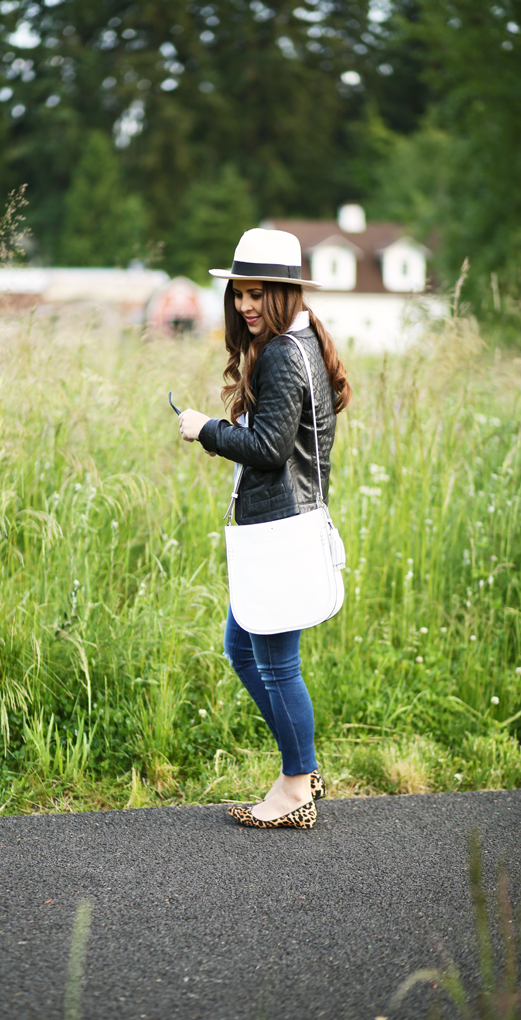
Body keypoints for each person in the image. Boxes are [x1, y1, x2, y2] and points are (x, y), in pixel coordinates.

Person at [178, 228, 352, 830]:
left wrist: (204, 429)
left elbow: (270, 449)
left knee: (276, 665)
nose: (246, 306)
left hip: (280, 531)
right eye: (239, 294)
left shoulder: (282, 351)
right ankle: (301, 770)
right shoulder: (299, 341)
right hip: (283, 528)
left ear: (283, 293)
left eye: (257, 294)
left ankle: (296, 783)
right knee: (240, 647)